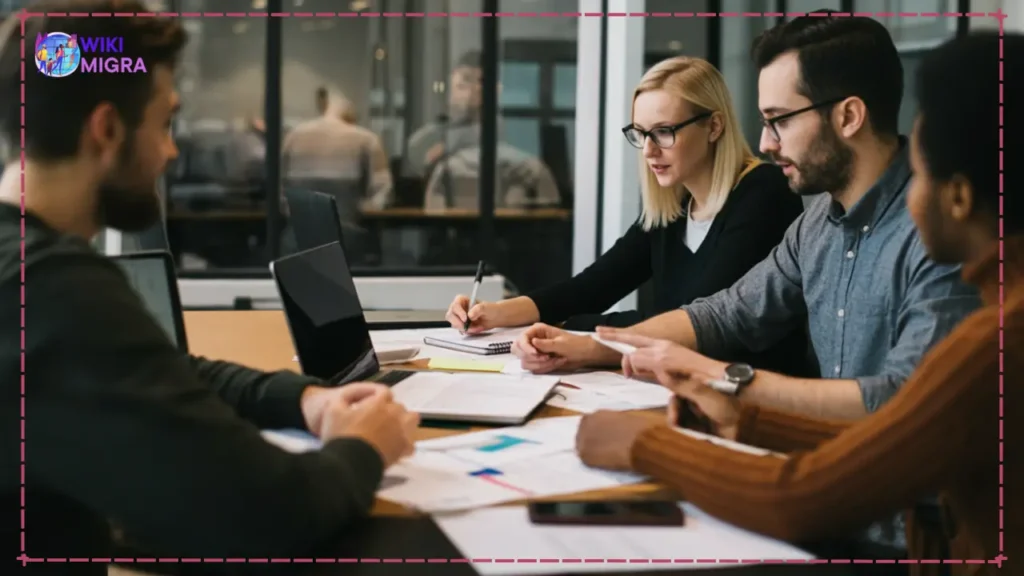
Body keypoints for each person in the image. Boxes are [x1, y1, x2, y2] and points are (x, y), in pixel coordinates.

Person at [573, 31, 1020, 576]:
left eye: (779, 119)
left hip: (890, 537)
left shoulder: (985, 319)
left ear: (958, 196)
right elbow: (729, 310)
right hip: (848, 515)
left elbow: (865, 440)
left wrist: (682, 420)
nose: (763, 143)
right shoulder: (816, 223)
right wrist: (735, 418)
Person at [0, 1, 419, 564]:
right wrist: (364, 448)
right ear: (106, 129)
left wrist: (307, 402)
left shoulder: (31, 277)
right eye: (165, 122)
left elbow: (158, 371)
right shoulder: (51, 288)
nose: (172, 151)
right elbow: (269, 515)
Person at [446, 56, 808, 371]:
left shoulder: (764, 194)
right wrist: (496, 314)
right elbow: (593, 286)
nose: (649, 150)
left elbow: (697, 321)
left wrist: (576, 336)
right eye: (641, 133)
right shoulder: (675, 206)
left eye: (664, 132)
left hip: (749, 399)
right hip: (674, 384)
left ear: (714, 126)